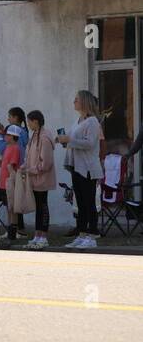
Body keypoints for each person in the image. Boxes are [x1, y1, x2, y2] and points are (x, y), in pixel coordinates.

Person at [56, 90, 104, 249]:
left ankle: (92, 235)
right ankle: (82, 234)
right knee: (81, 203)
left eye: (76, 99)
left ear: (84, 101)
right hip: (77, 166)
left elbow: (89, 143)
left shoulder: (92, 122)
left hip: (88, 167)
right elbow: (73, 139)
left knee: (89, 202)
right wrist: (63, 140)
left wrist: (69, 140)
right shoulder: (78, 121)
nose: (74, 101)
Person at [20, 110, 55, 249]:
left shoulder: (45, 137)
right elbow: (29, 157)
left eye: (29, 121)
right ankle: (37, 236)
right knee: (38, 207)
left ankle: (43, 237)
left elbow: (46, 164)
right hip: (34, 178)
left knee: (42, 206)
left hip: (42, 179)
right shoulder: (34, 135)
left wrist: (30, 170)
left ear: (36, 121)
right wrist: (23, 167)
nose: (28, 124)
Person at [0, 125, 24, 247]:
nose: (5, 136)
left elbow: (12, 166)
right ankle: (10, 232)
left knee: (12, 209)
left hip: (10, 182)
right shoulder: (8, 148)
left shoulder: (15, 148)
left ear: (14, 137)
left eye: (7, 135)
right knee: (9, 208)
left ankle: (13, 234)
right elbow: (0, 164)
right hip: (3, 183)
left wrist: (10, 175)